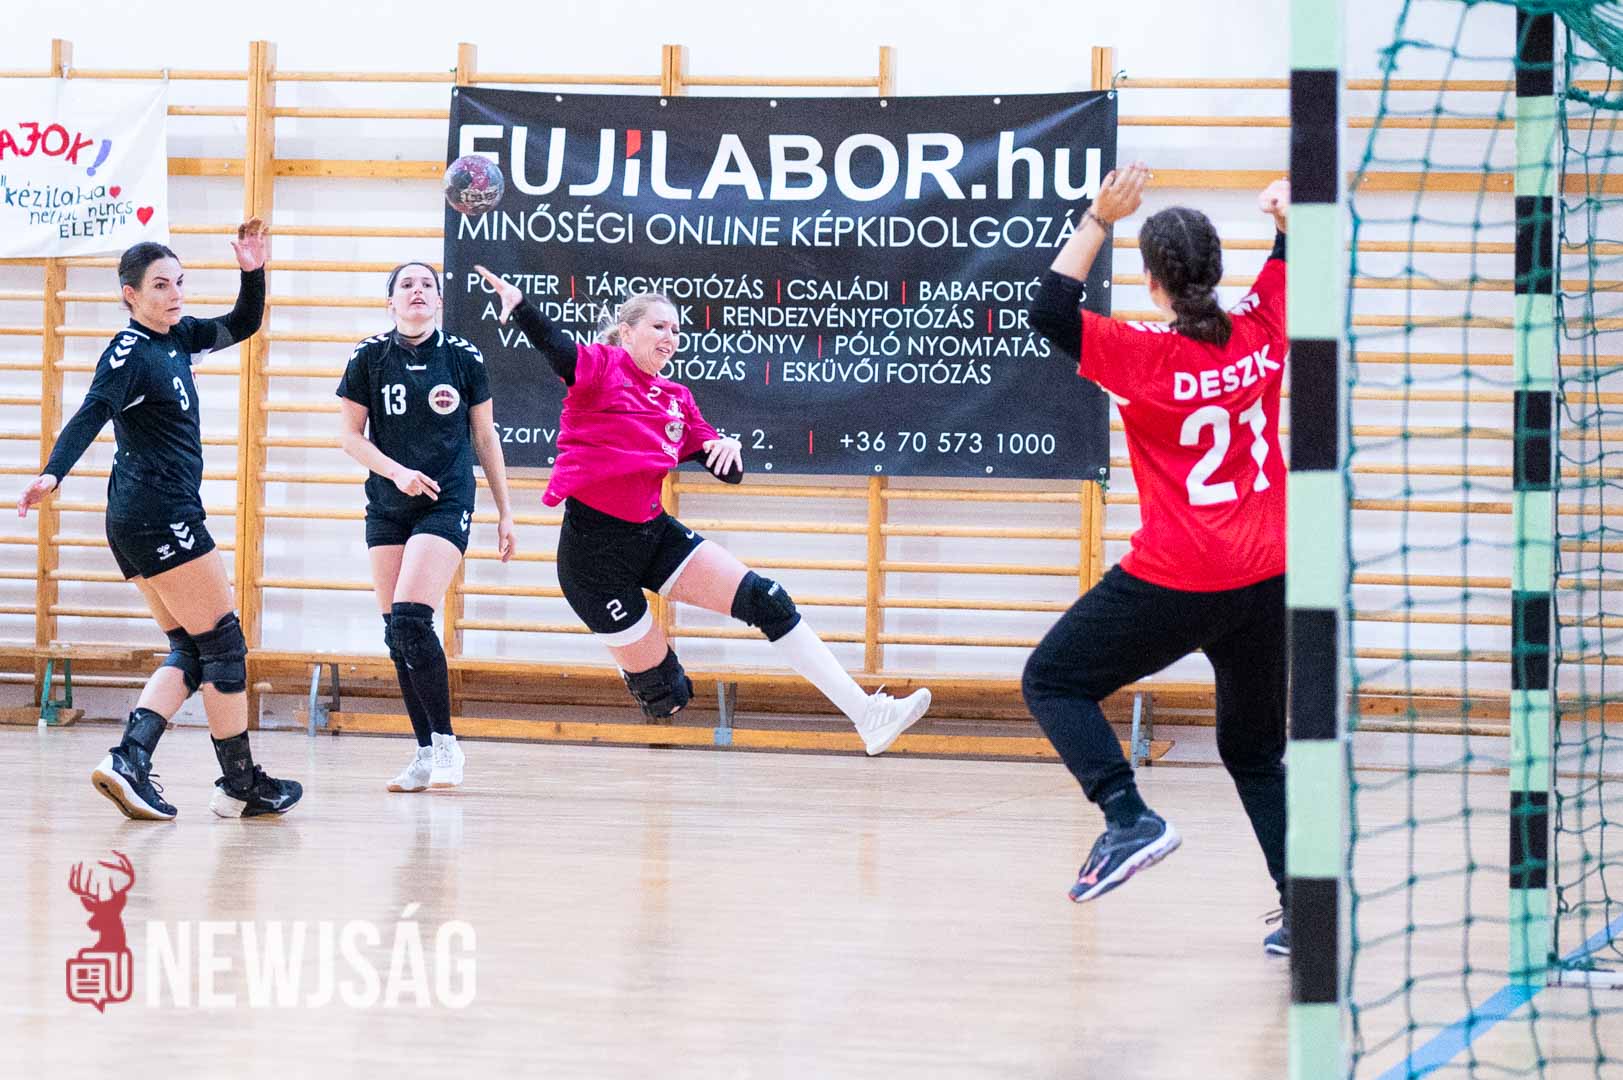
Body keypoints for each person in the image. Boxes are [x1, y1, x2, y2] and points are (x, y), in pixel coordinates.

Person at [472, 265, 930, 753]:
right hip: (594, 560)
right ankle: (643, 668)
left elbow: (726, 470)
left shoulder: (676, 400)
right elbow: (558, 349)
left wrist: (728, 449)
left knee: (769, 601)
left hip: (652, 534)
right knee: (668, 697)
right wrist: (521, 307)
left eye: (675, 330)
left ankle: (867, 715)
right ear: (626, 332)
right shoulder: (601, 368)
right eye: (658, 326)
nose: (669, 337)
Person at [1023, 165, 1291, 953]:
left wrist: (1097, 217)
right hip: (1268, 573)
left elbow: (1047, 308)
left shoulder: (1139, 355)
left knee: (1051, 680)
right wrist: (1284, 221)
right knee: (1254, 752)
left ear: (1150, 281)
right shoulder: (1260, 331)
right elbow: (1288, 267)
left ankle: (1127, 815)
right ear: (1215, 270)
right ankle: (1308, 907)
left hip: (1181, 573)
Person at [18, 222, 302, 820]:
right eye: (160, 285)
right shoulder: (130, 353)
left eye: (179, 282)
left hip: (142, 517)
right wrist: (52, 473)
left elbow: (243, 322)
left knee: (193, 646)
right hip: (159, 513)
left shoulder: (180, 336)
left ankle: (130, 759)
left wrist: (253, 271)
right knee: (223, 642)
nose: (175, 294)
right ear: (130, 294)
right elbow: (92, 411)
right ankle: (238, 784)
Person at [336, 261, 516, 792]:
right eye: (406, 285)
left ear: (439, 301)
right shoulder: (369, 356)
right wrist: (396, 472)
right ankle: (422, 753)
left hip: (446, 499)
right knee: (397, 633)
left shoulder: (463, 357)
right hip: (388, 502)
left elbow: (485, 437)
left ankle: (446, 746)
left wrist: (506, 511)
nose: (417, 291)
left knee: (413, 618)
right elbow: (350, 437)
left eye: (427, 285)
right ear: (390, 302)